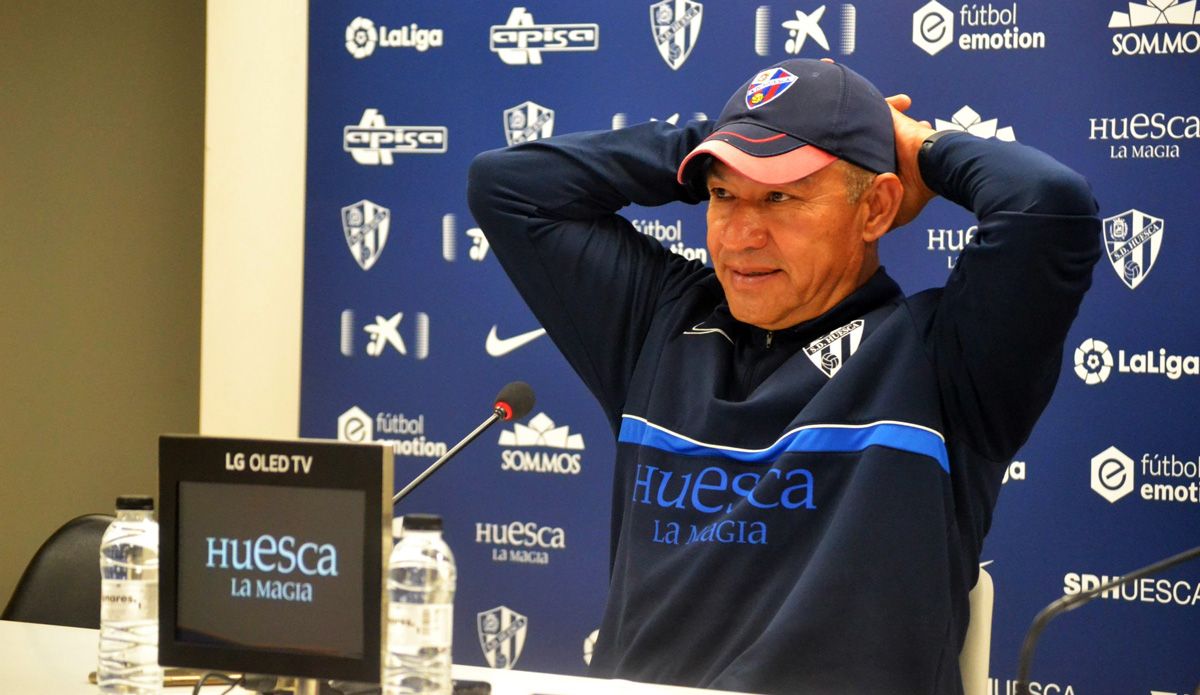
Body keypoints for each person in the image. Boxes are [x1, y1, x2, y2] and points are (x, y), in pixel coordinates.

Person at [467, 59, 1100, 694]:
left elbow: (1048, 206)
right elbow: (508, 185)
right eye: (721, 195)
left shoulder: (944, 357)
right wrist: (728, 138)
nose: (740, 235)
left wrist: (916, 145)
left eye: (779, 197)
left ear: (876, 208)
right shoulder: (658, 321)